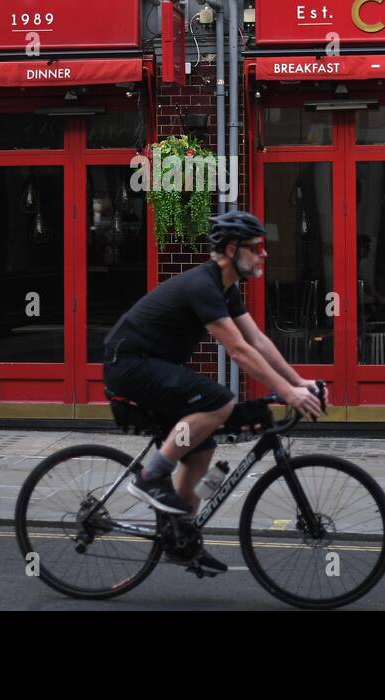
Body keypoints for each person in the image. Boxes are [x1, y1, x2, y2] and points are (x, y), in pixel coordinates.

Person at [102, 208, 325, 575]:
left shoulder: (225, 289)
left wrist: (298, 383)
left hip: (153, 366)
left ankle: (181, 539)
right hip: (129, 363)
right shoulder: (202, 286)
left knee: (202, 451)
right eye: (257, 247)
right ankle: (151, 477)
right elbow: (238, 351)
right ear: (233, 249)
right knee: (220, 401)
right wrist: (286, 392)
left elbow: (257, 340)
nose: (264, 254)